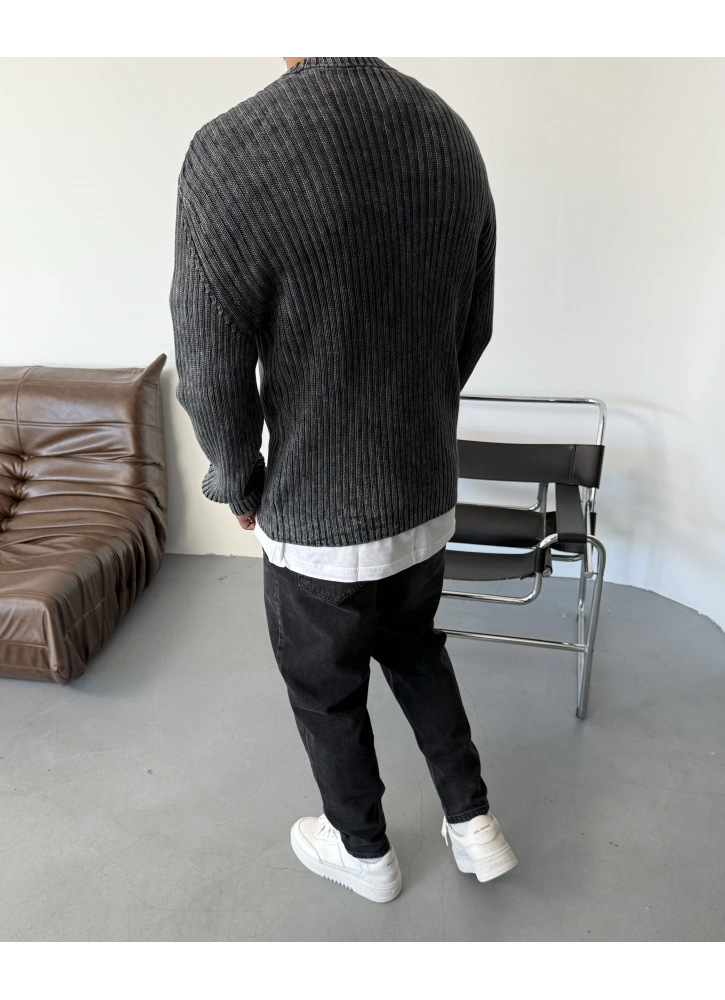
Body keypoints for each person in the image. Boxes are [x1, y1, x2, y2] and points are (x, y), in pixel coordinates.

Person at [170, 55, 516, 904]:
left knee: (325, 691)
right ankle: (474, 823)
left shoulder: (229, 151)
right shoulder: (448, 134)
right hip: (423, 491)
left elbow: (208, 368)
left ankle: (362, 851)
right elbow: (472, 325)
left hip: (317, 513)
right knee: (415, 648)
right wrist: (417, 423)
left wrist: (238, 479)